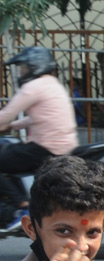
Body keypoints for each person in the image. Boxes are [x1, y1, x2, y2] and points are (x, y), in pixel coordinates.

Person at [0, 47, 79, 229]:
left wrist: (7, 122)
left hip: (44, 147)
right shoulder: (51, 84)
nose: (22, 72)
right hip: (61, 146)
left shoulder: (32, 87)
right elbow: (41, 116)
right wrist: (13, 126)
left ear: (35, 66)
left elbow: (7, 113)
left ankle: (21, 205)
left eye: (24, 68)